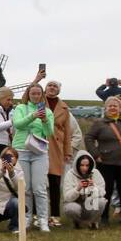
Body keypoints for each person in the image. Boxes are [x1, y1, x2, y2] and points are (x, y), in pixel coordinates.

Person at [86, 96, 121, 224]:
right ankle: (103, 217)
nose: (112, 108)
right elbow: (89, 138)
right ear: (105, 108)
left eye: (115, 106)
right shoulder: (99, 123)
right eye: (110, 105)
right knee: (105, 191)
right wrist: (95, 154)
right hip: (105, 162)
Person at [10, 83, 55, 232]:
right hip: (22, 149)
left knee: (39, 188)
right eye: (33, 93)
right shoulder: (20, 108)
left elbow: (49, 132)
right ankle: (27, 217)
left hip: (39, 152)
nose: (35, 96)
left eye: (38, 94)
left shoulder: (47, 111)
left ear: (42, 95)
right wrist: (33, 116)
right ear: (28, 94)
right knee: (25, 187)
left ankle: (43, 219)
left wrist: (44, 120)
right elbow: (18, 124)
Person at [39, 80, 75, 228]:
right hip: (40, 143)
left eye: (55, 86)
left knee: (54, 182)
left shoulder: (64, 108)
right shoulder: (38, 102)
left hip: (56, 148)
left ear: (59, 90)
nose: (52, 88)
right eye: (49, 85)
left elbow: (67, 132)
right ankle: (37, 214)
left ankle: (54, 216)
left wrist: (68, 151)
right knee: (39, 183)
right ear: (45, 89)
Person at [61, 150, 107, 228]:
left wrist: (94, 186)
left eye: (87, 165)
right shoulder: (70, 174)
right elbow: (66, 197)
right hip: (76, 205)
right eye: (82, 165)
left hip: (89, 206)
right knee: (70, 208)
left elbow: (103, 192)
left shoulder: (95, 173)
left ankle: (92, 222)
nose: (84, 168)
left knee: (102, 202)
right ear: (77, 165)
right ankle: (78, 222)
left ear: (91, 165)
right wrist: (78, 188)